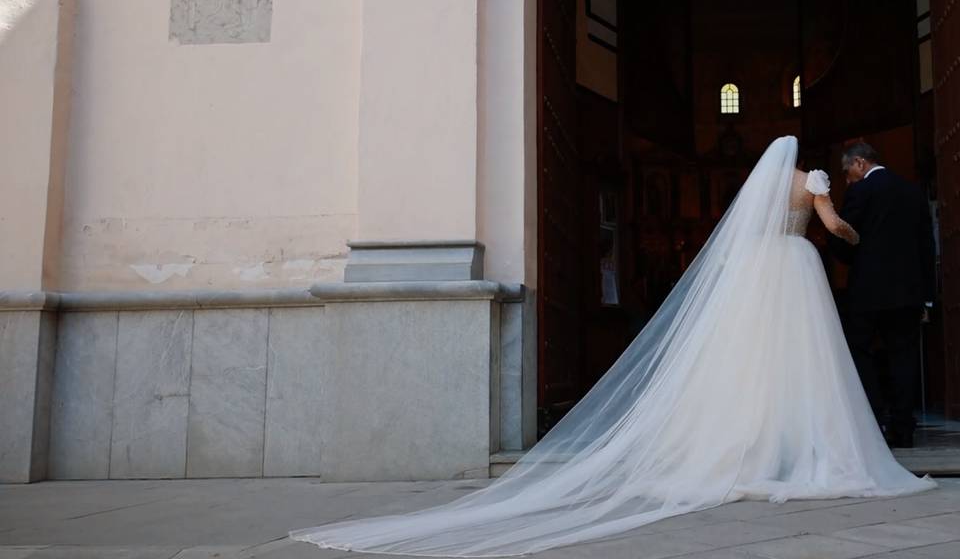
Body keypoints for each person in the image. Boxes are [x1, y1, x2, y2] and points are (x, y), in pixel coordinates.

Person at [289, 135, 937, 557]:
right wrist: (850, 239)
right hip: (796, 268)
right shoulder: (815, 184)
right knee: (804, 362)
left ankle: (747, 444)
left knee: (748, 362)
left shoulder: (763, 191)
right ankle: (807, 445)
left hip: (757, 269)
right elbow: (832, 227)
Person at [829, 142, 937, 449]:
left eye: (847, 171)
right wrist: (927, 294)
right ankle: (903, 429)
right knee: (903, 356)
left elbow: (845, 239)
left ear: (860, 163)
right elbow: (925, 245)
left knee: (860, 351)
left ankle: (872, 423)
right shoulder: (911, 190)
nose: (847, 179)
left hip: (868, 292)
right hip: (908, 292)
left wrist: (843, 255)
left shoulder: (860, 192)